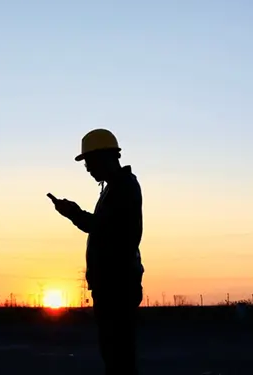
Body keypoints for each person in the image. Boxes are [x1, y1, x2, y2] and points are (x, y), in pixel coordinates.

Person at [48, 128, 144, 375]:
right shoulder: (114, 188)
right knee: (114, 353)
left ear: (105, 157)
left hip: (118, 285)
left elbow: (103, 229)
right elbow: (103, 229)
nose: (88, 169)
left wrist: (73, 213)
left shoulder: (123, 187)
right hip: (112, 284)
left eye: (89, 162)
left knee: (118, 355)